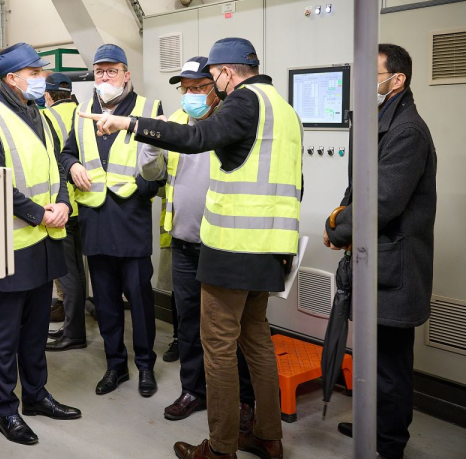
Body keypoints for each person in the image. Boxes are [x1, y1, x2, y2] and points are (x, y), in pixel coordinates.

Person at [81, 37, 301, 459]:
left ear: (225, 72)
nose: (210, 88)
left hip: (234, 246)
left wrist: (130, 124)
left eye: (211, 79)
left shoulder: (245, 101)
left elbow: (200, 137)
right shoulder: (283, 109)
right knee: (256, 340)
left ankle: (220, 448)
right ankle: (267, 436)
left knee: (217, 344)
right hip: (271, 246)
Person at [0, 42, 81, 446]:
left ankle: (35, 396)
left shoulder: (44, 118)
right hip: (13, 243)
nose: (41, 79)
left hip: (45, 241)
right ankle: (6, 411)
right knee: (8, 332)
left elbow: (58, 167)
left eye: (42, 74)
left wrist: (64, 202)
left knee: (35, 328)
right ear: (12, 78)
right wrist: (39, 213)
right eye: (34, 73)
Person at [323, 43, 436, 459]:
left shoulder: (407, 130)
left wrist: (338, 229)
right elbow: (359, 189)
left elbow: (382, 200)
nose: (363, 85)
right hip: (377, 264)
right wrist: (340, 218)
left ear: (397, 80)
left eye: (373, 74)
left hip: (396, 269)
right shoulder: (382, 121)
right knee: (372, 359)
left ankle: (389, 445)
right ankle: (374, 423)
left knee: (389, 366)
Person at [139, 56, 257, 424]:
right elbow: (152, 174)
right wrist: (151, 146)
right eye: (185, 89)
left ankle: (242, 399)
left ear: (216, 87)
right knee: (188, 323)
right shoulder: (174, 122)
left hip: (222, 242)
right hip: (185, 241)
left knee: (228, 328)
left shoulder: (230, 121)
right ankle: (194, 390)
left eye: (198, 88)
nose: (189, 95)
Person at [60, 43, 164, 398]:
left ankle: (146, 365)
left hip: (131, 217)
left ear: (126, 75)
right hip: (96, 220)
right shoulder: (82, 111)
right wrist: (72, 165)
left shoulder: (149, 108)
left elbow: (160, 161)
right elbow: (68, 152)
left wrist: (142, 190)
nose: (104, 77)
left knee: (139, 298)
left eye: (112, 70)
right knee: (105, 301)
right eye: (99, 71)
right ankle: (115, 365)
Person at [42, 72, 87, 352]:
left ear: (48, 96)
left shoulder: (46, 118)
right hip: (86, 200)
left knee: (67, 274)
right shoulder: (84, 112)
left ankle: (74, 332)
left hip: (63, 205)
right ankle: (75, 327)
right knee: (79, 272)